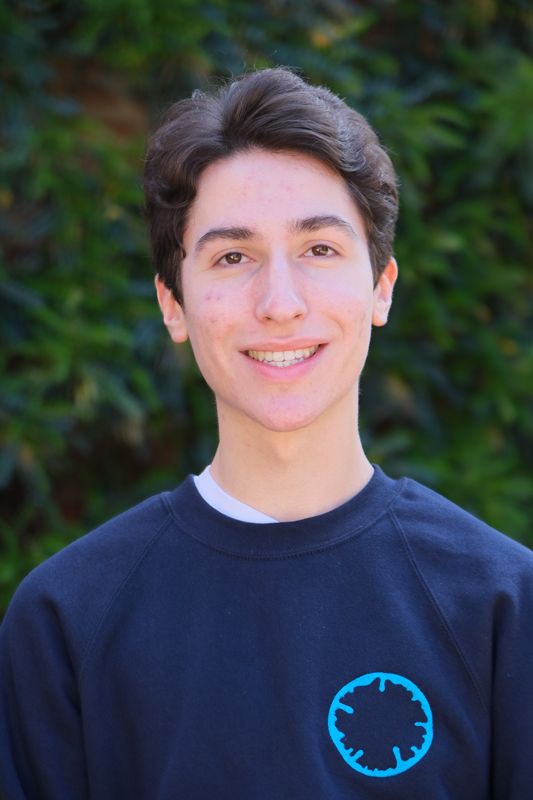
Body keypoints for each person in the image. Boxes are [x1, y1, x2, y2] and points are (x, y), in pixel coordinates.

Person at [1, 68, 532, 800]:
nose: (279, 303)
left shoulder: (503, 604)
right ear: (174, 303)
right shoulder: (66, 619)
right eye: (231, 257)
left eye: (319, 249)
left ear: (379, 286)